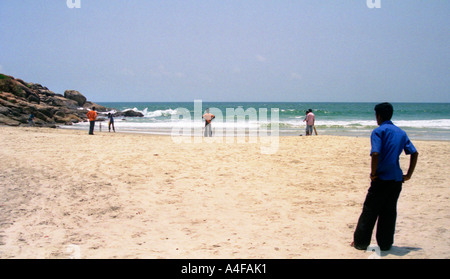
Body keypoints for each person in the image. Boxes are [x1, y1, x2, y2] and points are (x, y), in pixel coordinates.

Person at [352, 102, 419, 251]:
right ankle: (385, 243)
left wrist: (373, 173)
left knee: (370, 210)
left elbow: (375, 153)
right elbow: (414, 153)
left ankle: (361, 243)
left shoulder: (378, 132)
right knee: (389, 211)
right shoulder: (401, 133)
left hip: (381, 178)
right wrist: (408, 175)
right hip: (396, 179)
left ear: (378, 116)